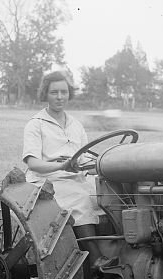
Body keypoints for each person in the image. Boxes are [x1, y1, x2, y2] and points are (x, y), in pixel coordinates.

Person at [22, 71, 106, 264]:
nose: (60, 97)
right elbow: (33, 163)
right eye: (54, 92)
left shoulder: (75, 124)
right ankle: (95, 258)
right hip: (47, 180)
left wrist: (100, 165)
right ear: (45, 94)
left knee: (106, 193)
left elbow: (84, 159)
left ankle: (115, 247)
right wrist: (62, 166)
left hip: (75, 177)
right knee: (80, 198)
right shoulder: (36, 124)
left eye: (64, 92)